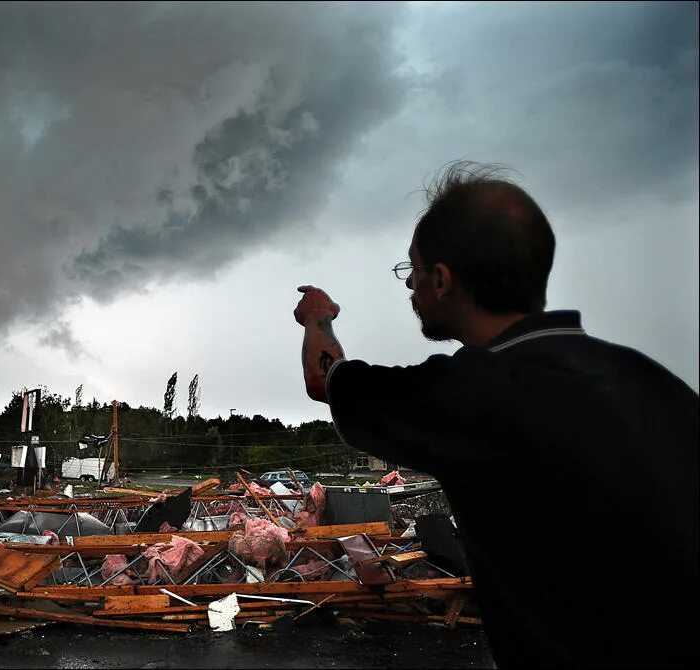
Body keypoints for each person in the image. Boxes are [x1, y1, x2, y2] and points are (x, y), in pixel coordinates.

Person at [293, 162, 697, 668]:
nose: (410, 287)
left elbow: (323, 378)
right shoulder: (660, 385)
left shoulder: (465, 395)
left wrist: (318, 316)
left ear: (441, 280)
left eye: (412, 271)